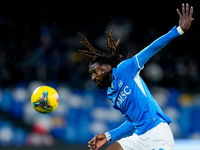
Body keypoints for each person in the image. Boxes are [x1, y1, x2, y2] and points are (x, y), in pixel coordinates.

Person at [78, 3, 194, 150]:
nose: (93, 77)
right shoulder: (111, 94)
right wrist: (108, 135)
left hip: (158, 133)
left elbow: (151, 48)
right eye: (91, 74)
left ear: (108, 68)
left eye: (95, 72)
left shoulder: (124, 69)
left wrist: (178, 31)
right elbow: (132, 121)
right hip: (140, 137)